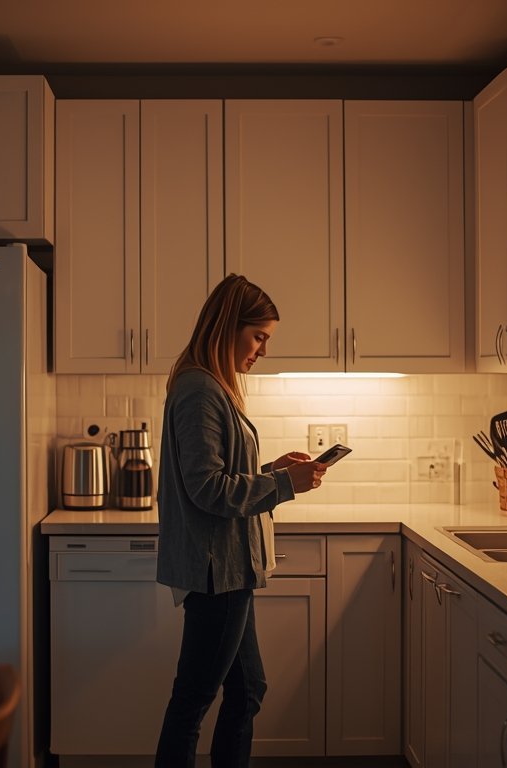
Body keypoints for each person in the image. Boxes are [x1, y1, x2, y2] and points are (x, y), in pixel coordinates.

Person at [154, 274, 326, 768]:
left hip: (229, 569)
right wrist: (287, 484)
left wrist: (272, 471)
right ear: (228, 327)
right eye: (259, 336)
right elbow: (209, 489)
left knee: (248, 688)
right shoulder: (200, 390)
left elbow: (219, 476)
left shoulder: (209, 386)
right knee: (193, 701)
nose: (263, 350)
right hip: (218, 572)